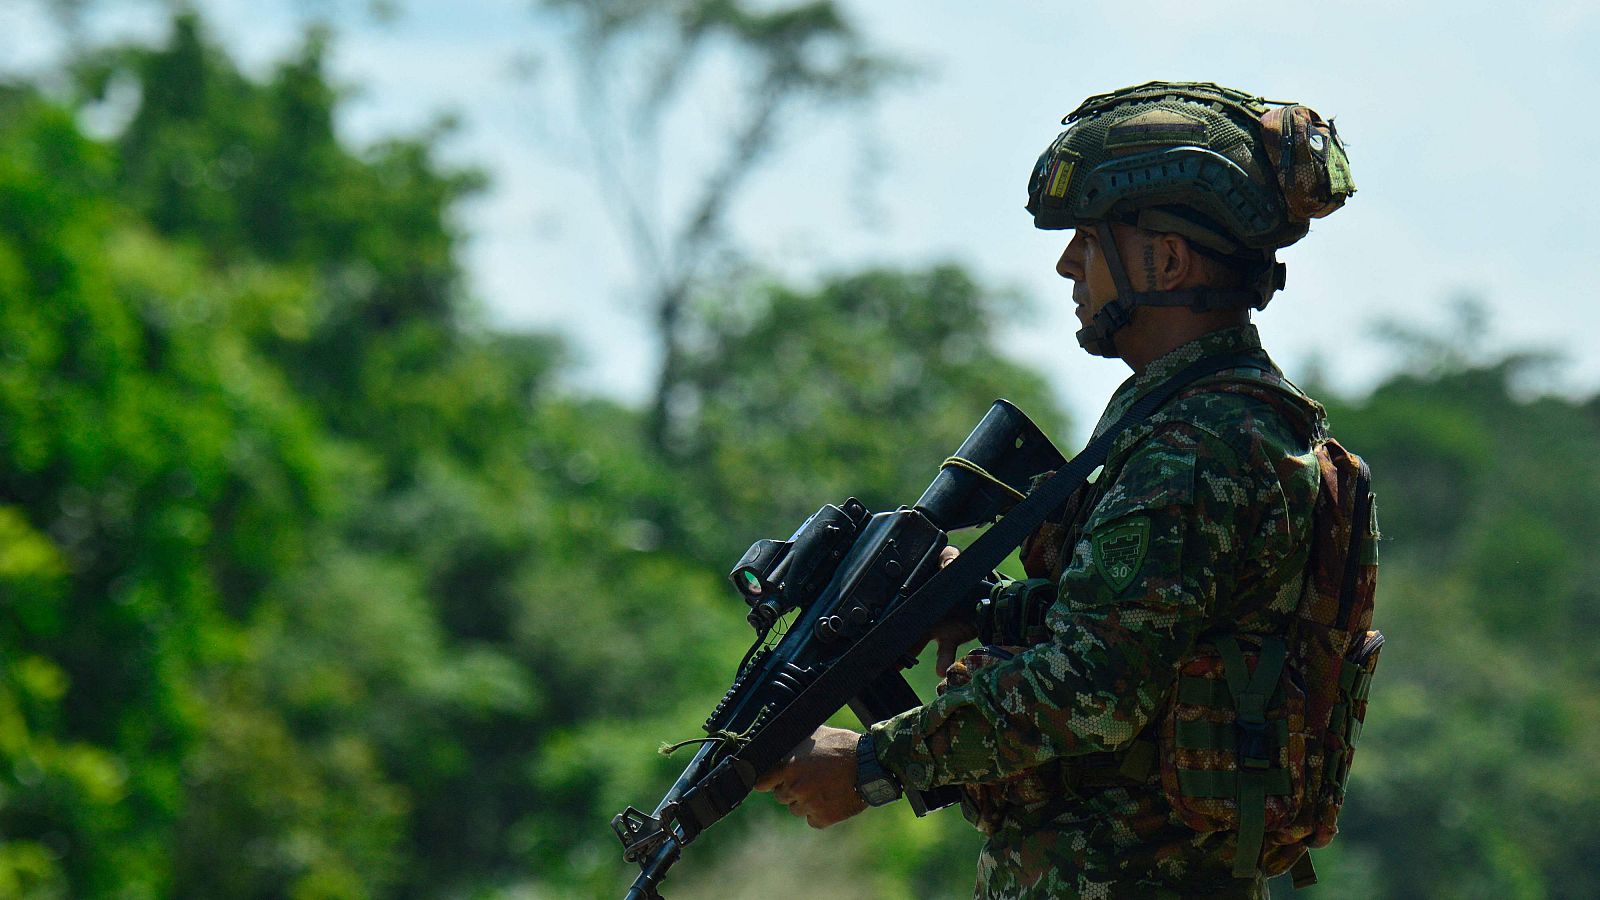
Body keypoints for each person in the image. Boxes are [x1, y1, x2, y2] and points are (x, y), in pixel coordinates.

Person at [753, 81, 1357, 898]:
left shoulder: (1193, 446)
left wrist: (869, 763)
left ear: (1167, 259)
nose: (1069, 262)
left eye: (1089, 238)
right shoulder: (1200, 422)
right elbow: (1161, 638)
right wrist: (983, 608)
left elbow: (1096, 689)